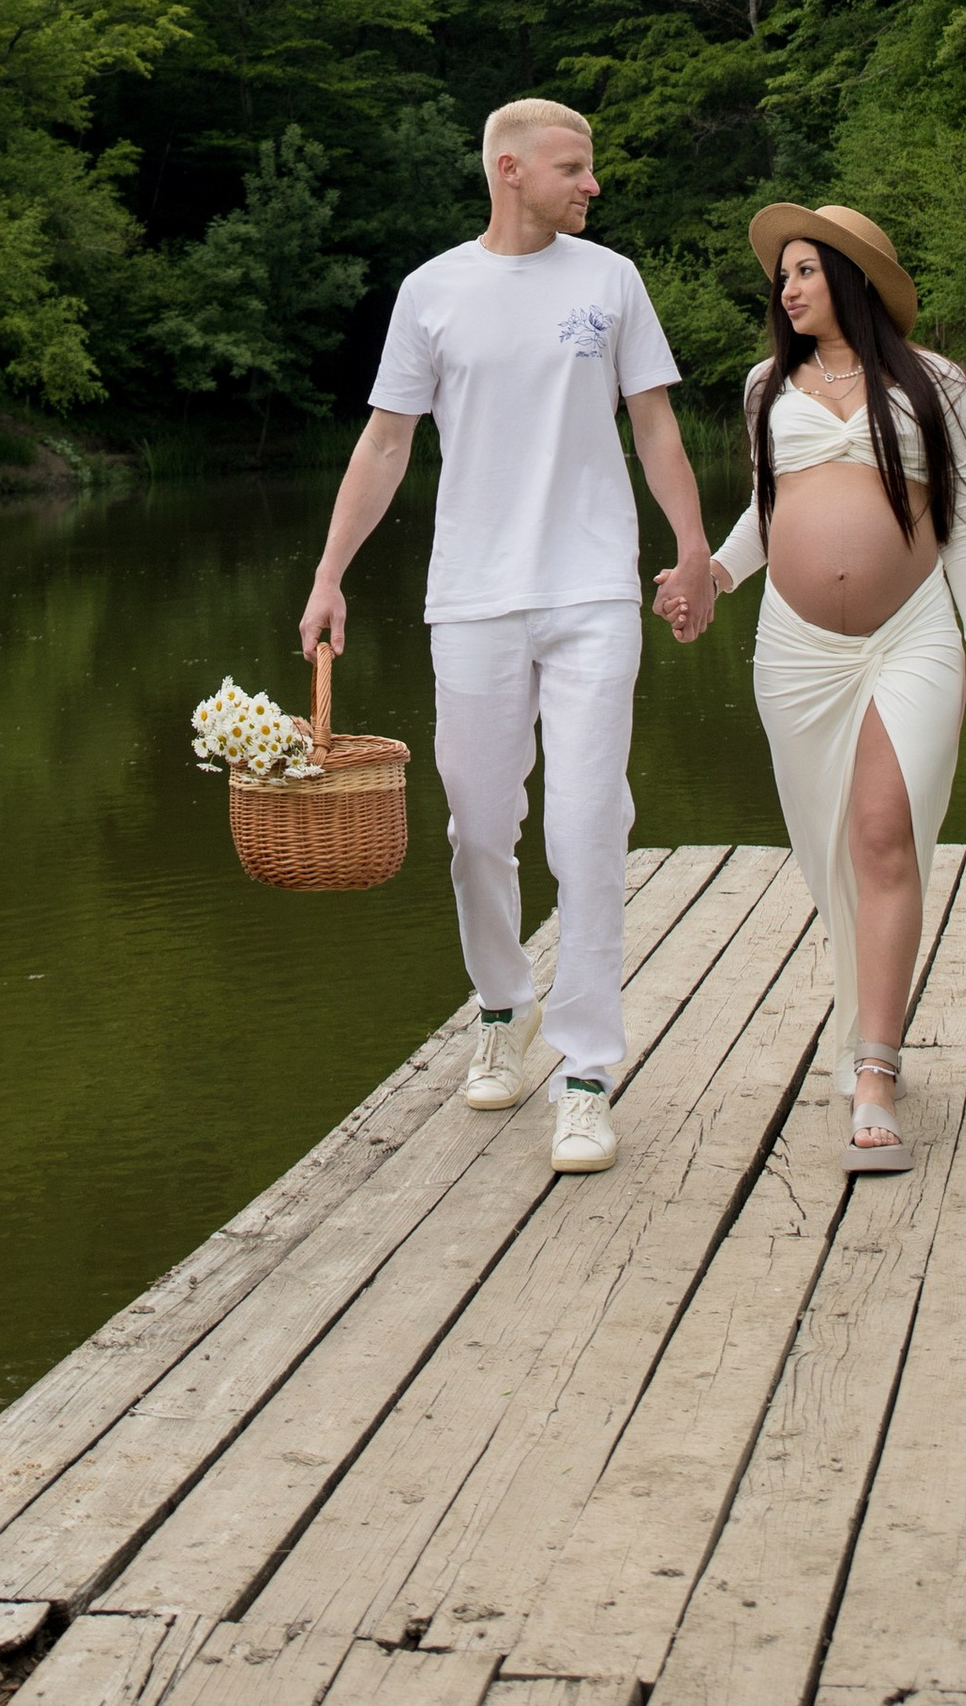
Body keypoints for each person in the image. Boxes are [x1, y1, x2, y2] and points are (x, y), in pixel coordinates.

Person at [300, 99, 717, 1175]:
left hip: (590, 592)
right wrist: (330, 572)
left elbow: (655, 424)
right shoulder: (432, 292)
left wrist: (692, 551)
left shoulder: (609, 280)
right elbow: (386, 443)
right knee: (478, 827)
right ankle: (503, 1007)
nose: (591, 185)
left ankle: (586, 1070)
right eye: (573, 168)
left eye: (590, 169)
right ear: (510, 168)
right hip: (473, 597)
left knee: (585, 828)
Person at [667, 202, 966, 1168]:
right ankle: (868, 1012)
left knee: (883, 834)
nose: (790, 288)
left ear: (853, 276)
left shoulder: (936, 382)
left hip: (915, 638)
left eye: (807, 270)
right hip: (797, 651)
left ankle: (874, 1068)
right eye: (783, 276)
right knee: (830, 851)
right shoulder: (764, 386)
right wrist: (713, 578)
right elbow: (766, 517)